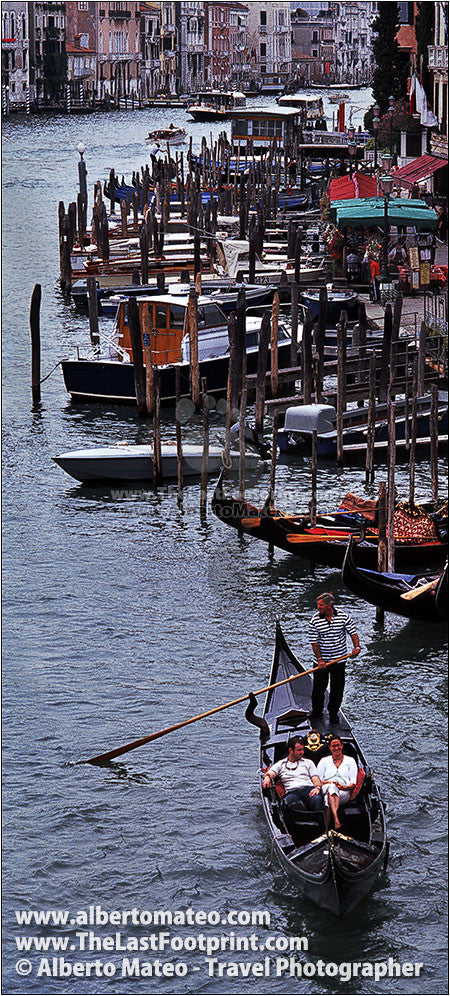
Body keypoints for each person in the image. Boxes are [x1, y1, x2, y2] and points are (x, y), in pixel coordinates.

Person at [309, 592, 360, 724]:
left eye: (321, 605)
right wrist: (320, 659)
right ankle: (317, 711)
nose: (318, 607)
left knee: (337, 688)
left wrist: (356, 647)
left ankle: (333, 712)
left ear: (329, 606)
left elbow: (352, 633)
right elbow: (314, 643)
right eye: (318, 605)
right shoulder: (314, 620)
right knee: (319, 688)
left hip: (339, 660)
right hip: (322, 662)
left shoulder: (343, 617)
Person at [262, 736, 323, 812]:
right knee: (286, 803)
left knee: (317, 799)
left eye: (303, 749)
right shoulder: (281, 764)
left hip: (308, 789)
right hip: (292, 792)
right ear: (291, 750)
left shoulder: (308, 762)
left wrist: (317, 788)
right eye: (299, 750)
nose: (302, 752)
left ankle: (320, 821)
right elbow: (271, 773)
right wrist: (267, 777)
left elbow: (315, 778)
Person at [317, 736, 358, 829]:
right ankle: (336, 820)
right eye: (333, 746)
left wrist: (343, 787)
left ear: (342, 746)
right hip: (326, 788)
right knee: (332, 787)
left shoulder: (350, 761)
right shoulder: (324, 761)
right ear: (330, 748)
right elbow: (318, 781)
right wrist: (331, 782)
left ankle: (326, 829)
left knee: (328, 799)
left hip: (344, 792)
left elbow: (353, 783)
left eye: (338, 745)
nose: (336, 748)